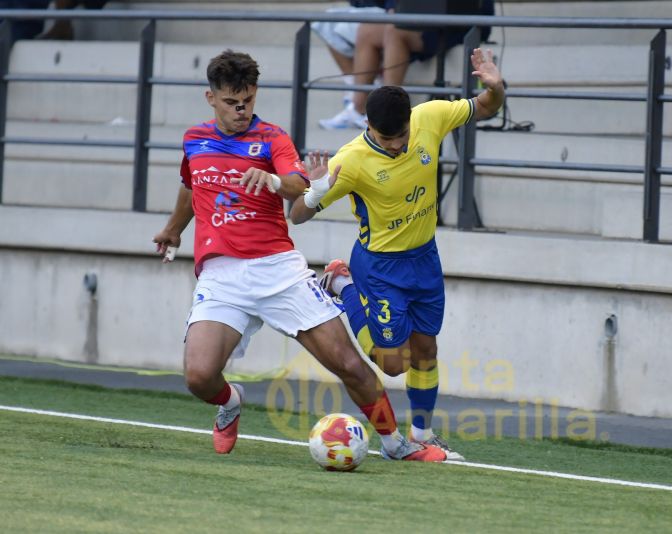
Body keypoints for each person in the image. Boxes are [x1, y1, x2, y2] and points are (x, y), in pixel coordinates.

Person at [152, 49, 445, 462]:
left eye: (248, 100)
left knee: (349, 364)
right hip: (221, 276)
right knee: (199, 376)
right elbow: (190, 185)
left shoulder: (271, 138)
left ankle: (396, 443)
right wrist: (172, 230)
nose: (241, 110)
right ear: (210, 98)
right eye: (233, 102)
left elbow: (297, 184)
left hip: (278, 269)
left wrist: (273, 180)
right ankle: (231, 400)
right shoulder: (194, 140)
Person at [291, 47, 505, 460]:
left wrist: (496, 88)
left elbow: (487, 107)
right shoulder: (350, 161)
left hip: (424, 258)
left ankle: (422, 434)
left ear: (411, 121)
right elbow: (297, 215)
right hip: (380, 268)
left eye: (401, 136)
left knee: (427, 349)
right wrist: (315, 192)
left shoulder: (431, 117)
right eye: (386, 139)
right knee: (393, 365)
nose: (395, 146)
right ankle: (344, 285)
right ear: (367, 125)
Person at [319, 0, 494, 130]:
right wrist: (394, 8)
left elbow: (482, 13)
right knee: (367, 31)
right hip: (419, 19)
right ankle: (358, 110)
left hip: (454, 26)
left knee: (394, 31)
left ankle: (388, 110)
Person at [311, 1, 387, 114]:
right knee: (326, 21)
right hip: (366, 8)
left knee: (360, 30)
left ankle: (359, 103)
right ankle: (354, 92)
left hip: (388, 11)